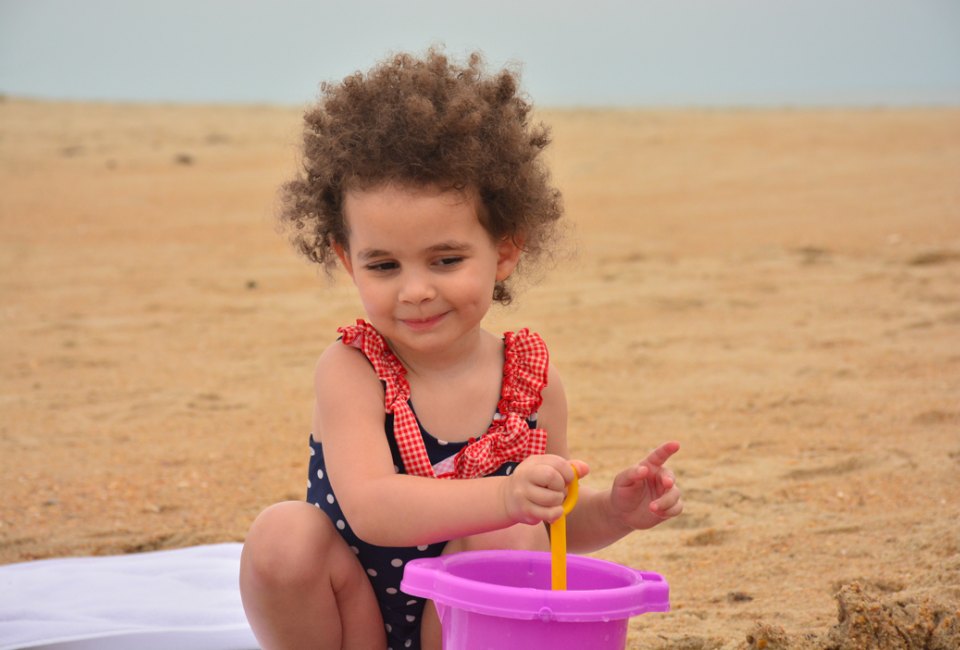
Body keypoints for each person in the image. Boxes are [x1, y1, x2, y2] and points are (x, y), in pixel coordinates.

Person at [239, 49, 683, 650]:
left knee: (510, 535)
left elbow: (545, 524)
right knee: (281, 535)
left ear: (503, 251)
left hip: (467, 627)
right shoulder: (353, 370)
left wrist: (613, 513)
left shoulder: (530, 382)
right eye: (384, 264)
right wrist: (505, 496)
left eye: (446, 260)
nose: (416, 290)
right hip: (352, 617)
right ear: (348, 259)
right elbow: (372, 508)